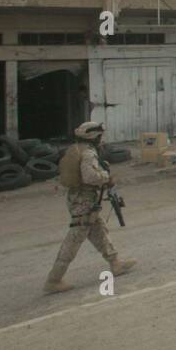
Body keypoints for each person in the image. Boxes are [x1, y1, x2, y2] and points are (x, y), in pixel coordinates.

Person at [44, 122, 135, 294]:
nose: (102, 139)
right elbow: (90, 176)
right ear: (94, 137)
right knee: (75, 238)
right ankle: (54, 279)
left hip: (81, 199)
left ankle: (115, 263)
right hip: (83, 201)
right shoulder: (88, 153)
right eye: (100, 136)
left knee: (99, 230)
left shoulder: (77, 148)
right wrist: (106, 176)